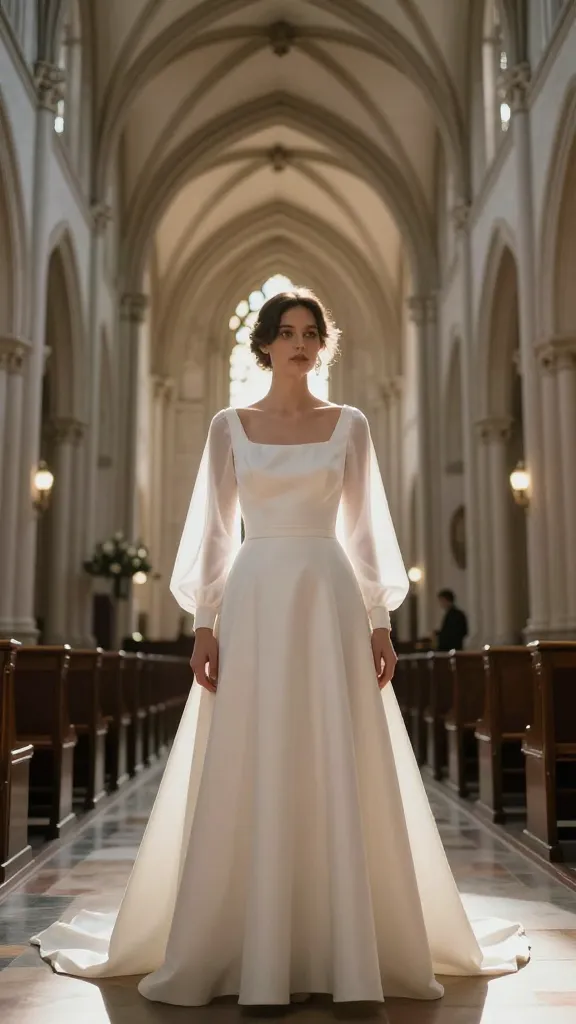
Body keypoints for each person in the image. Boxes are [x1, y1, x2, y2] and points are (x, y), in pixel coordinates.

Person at [31, 289, 528, 1006]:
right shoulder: (228, 426)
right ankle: (244, 939)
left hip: (328, 596)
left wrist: (380, 619)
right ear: (264, 344)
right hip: (255, 595)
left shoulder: (351, 424)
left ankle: (346, 944)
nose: (300, 343)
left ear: (324, 345)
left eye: (311, 333)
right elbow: (213, 531)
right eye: (287, 332)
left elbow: (365, 531)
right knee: (252, 746)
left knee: (335, 745)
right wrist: (204, 622)